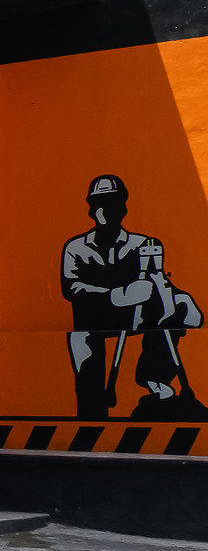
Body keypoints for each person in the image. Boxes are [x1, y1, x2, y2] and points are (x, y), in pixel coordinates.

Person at [62, 174, 204, 417]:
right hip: (95, 319)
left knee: (174, 309)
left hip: (136, 317)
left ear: (123, 207)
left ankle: (155, 380)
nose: (104, 210)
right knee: (81, 341)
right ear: (90, 208)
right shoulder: (76, 248)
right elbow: (72, 289)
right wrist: (117, 296)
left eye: (112, 202)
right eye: (99, 203)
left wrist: (178, 301)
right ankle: (91, 413)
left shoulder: (142, 244)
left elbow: (161, 282)